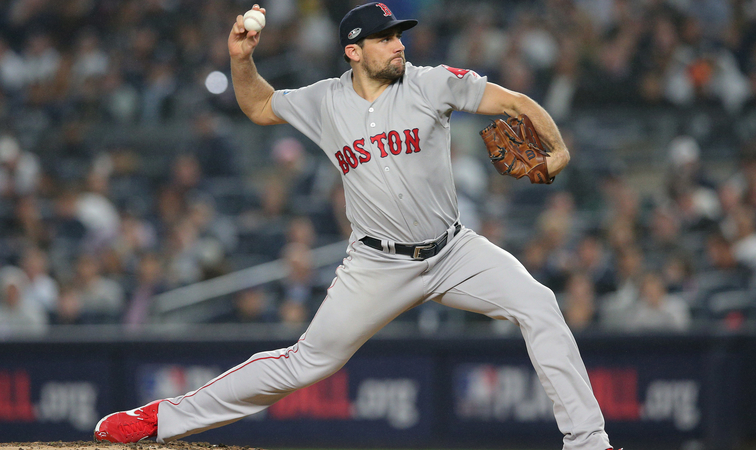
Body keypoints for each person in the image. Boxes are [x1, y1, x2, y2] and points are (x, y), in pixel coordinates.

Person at [94, 3, 615, 450]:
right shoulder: (325, 100)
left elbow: (516, 103)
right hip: (376, 262)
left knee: (539, 304)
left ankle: (588, 442)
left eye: (398, 36)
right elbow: (258, 104)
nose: (398, 45)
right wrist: (242, 60)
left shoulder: (430, 83)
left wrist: (558, 150)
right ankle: (160, 419)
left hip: (453, 251)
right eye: (384, 38)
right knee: (303, 363)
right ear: (353, 51)